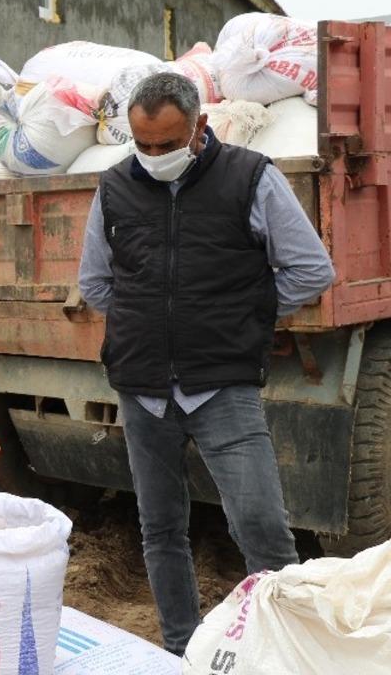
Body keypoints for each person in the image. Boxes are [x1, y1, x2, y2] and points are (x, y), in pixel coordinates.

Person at [77, 71, 335, 655]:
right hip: (142, 390)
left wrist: (241, 319)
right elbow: (95, 284)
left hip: (223, 389)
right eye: (143, 145)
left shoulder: (249, 177)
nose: (154, 156)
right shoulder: (115, 186)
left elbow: (311, 270)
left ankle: (279, 654)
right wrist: (150, 323)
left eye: (167, 144)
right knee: (161, 530)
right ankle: (181, 652)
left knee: (263, 532)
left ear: (200, 127)